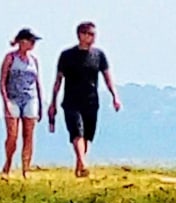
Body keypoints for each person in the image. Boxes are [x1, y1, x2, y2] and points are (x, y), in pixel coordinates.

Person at [49, 21, 122, 178]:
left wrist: (115, 96)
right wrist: (53, 102)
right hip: (71, 101)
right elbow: (58, 80)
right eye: (89, 34)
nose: (92, 38)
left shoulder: (99, 55)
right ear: (81, 35)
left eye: (94, 35)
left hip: (91, 101)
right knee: (77, 133)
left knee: (87, 136)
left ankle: (79, 167)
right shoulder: (67, 55)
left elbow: (108, 77)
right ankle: (83, 163)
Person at [0, 28, 43, 180]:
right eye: (31, 41)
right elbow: (2, 80)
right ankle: (8, 163)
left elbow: (37, 83)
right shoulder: (10, 58)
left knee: (28, 135)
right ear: (22, 41)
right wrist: (5, 101)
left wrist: (41, 104)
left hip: (30, 98)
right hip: (13, 99)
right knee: (12, 135)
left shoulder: (34, 61)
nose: (33, 44)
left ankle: (26, 168)